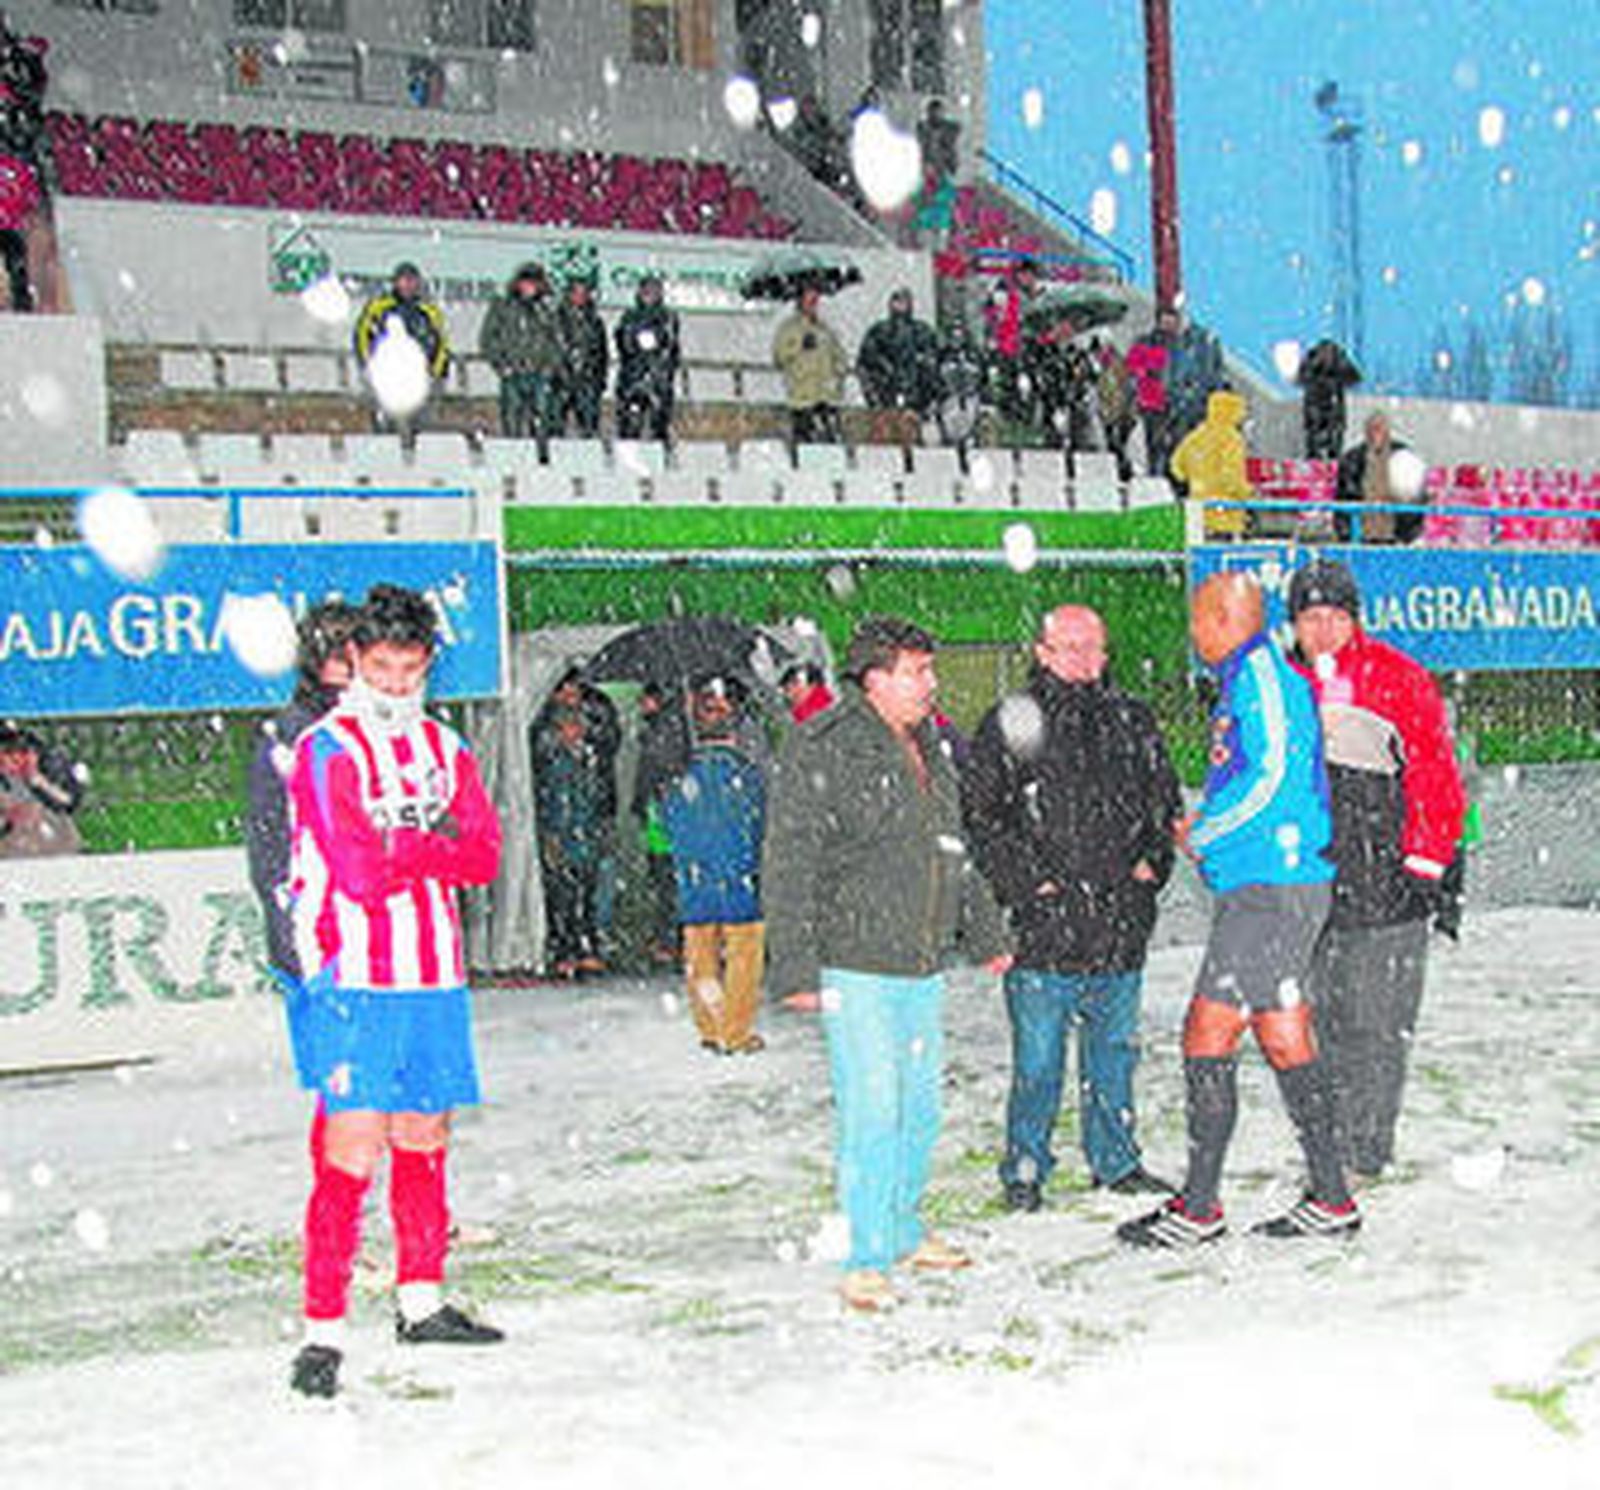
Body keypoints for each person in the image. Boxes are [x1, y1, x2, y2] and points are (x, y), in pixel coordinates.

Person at [284, 584, 504, 1399]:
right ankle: (322, 1334)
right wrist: (426, 842)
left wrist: (404, 845)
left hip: (433, 975)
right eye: (382, 669)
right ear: (353, 663)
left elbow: (484, 856)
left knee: (424, 1135)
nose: (397, 685)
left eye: (411, 670)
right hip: (352, 977)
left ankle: (421, 1300)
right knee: (350, 1149)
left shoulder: (446, 747)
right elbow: (357, 872)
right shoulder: (326, 748)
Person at [763, 616, 1011, 1312]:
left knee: (919, 1108)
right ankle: (867, 1256)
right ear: (875, 679)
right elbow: (790, 858)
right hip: (855, 963)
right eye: (917, 671)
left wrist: (985, 930)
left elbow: (951, 847)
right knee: (873, 1109)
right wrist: (795, 966)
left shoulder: (931, 743)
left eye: (930, 670)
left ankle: (902, 1229)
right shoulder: (824, 745)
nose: (931, 684)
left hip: (920, 961)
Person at [1119, 573, 1357, 1248]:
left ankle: (1199, 1208)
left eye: (1199, 617)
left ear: (1227, 618)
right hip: (1267, 885)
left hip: (1272, 889)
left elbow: (1275, 775)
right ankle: (1331, 1198)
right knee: (1282, 1033)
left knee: (1208, 1031)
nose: (1193, 630)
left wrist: (1208, 831)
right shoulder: (1242, 679)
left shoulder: (1263, 678)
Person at [962, 605, 1182, 1212]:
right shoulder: (1011, 721)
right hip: (1045, 932)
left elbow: (1162, 800)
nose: (1087, 659)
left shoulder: (1132, 718)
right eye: (1072, 646)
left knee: (1113, 1058)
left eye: (1095, 647)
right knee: (1038, 1064)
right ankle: (1026, 1169)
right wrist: (1031, 886)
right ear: (1043, 652)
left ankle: (1116, 1162)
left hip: (1120, 923)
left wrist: (1151, 866)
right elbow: (983, 816)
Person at [1287, 560, 1467, 1181]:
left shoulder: (1397, 677)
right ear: (1294, 623)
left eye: (1335, 616)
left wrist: (1423, 865)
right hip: (1307, 888)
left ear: (1355, 620)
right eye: (1310, 617)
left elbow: (1435, 778)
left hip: (1386, 885)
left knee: (1378, 1024)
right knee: (1320, 1022)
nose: (1323, 629)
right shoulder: (1278, 684)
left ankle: (1364, 1149)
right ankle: (1329, 1144)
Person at [244, 600, 361, 1023]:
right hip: (320, 919)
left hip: (375, 928)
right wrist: (290, 918)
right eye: (337, 655)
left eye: (357, 654)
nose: (349, 667)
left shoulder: (374, 726)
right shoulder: (292, 735)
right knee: (334, 1043)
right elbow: (270, 836)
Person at [660, 675, 768, 1056]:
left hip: (695, 877)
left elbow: (668, 824)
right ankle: (736, 1032)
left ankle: (709, 1026)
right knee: (744, 954)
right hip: (739, 876)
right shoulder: (747, 774)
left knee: (699, 953)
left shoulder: (676, 776)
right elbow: (762, 824)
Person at [530, 667, 621, 973]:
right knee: (561, 890)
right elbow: (547, 791)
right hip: (560, 825)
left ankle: (586, 944)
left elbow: (599, 786)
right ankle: (565, 947)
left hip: (585, 824)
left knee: (588, 885)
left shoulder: (592, 749)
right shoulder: (548, 746)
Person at [352, 261, 451, 431]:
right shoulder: (380, 307)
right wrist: (369, 365)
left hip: (419, 377)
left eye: (412, 281)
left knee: (419, 425)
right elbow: (363, 336)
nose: (408, 286)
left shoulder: (428, 311)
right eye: (404, 281)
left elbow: (441, 343)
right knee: (387, 425)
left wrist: (435, 372)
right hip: (388, 375)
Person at [478, 262, 564, 443]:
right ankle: (512, 454)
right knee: (512, 420)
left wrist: (550, 367)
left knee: (542, 421)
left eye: (534, 282)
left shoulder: (547, 309)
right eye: (526, 282)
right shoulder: (503, 306)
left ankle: (541, 454)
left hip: (539, 374)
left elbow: (558, 341)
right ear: (517, 283)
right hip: (512, 373)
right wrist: (501, 365)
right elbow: (488, 338)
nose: (529, 287)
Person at [856, 287, 941, 444]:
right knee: (883, 445)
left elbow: (932, 371)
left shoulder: (922, 333)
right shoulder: (878, 332)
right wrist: (875, 400)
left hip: (913, 406)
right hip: (884, 404)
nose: (900, 306)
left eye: (904, 302)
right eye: (897, 302)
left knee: (909, 444)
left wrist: (923, 403)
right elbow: (864, 368)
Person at [1170, 387, 1252, 540]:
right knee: (1223, 552)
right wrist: (1247, 493)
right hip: (1225, 512)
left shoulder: (1196, 436)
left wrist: (1195, 480)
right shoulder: (1232, 439)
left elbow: (1176, 466)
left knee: (1199, 549)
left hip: (1198, 510)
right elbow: (1231, 477)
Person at [773, 281, 849, 446]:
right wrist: (800, 345)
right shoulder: (789, 328)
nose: (813, 303)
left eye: (815, 299)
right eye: (809, 299)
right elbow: (779, 356)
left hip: (827, 397)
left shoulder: (825, 329)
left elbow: (839, 356)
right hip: (803, 398)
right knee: (806, 446)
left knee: (830, 447)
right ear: (800, 301)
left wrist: (838, 373)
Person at [1335, 411, 1421, 544]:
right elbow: (1344, 497)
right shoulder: (1352, 459)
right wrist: (1346, 533)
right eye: (1373, 429)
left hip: (1393, 531)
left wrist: (1408, 534)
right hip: (1362, 531)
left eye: (1380, 428)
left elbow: (1414, 495)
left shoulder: (1402, 456)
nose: (1376, 434)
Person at [613, 274, 681, 442]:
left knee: (659, 425)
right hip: (632, 379)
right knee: (630, 425)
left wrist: (663, 368)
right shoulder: (629, 316)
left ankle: (661, 452)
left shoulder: (668, 317)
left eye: (655, 291)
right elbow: (624, 344)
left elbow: (671, 347)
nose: (650, 295)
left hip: (659, 380)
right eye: (647, 290)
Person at [0, 720, 81, 856]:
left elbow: (69, 802)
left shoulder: (45, 770)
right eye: (8, 752)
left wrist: (39, 782)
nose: (16, 759)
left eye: (21, 751)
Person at [555, 273, 609, 438]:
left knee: (589, 428)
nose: (580, 297)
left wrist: (600, 378)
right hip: (561, 380)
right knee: (555, 428)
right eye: (576, 292)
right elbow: (548, 348)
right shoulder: (556, 319)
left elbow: (602, 353)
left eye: (584, 293)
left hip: (588, 381)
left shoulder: (595, 321)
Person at [1126, 311, 1175, 477]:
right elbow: (1132, 365)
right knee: (1151, 441)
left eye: (1172, 323)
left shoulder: (1179, 345)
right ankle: (1152, 474)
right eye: (1165, 322)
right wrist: (1147, 371)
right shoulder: (1145, 342)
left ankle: (1162, 474)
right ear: (1158, 322)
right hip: (1150, 400)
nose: (1168, 326)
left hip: (1171, 401)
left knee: (1167, 443)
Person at [1297, 339, 1361, 461]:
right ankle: (1318, 458)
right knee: (1317, 435)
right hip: (1319, 404)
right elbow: (1302, 377)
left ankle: (1325, 458)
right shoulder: (1313, 360)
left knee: (1331, 434)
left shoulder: (1337, 359)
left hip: (1329, 405)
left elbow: (1354, 378)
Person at [1093, 337, 1138, 481]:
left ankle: (1123, 471)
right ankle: (1120, 471)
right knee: (1115, 445)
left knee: (1118, 445)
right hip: (1111, 414)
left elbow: (1125, 393)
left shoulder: (1118, 369)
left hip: (1119, 415)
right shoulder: (1104, 370)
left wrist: (1124, 412)